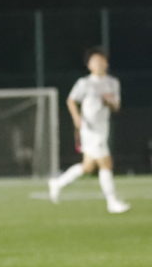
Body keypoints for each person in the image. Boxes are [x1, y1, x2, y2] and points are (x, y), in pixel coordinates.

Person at [48, 46, 130, 213]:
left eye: (101, 60)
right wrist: (77, 118)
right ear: (89, 65)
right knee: (106, 163)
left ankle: (57, 183)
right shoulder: (85, 83)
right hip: (89, 128)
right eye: (95, 61)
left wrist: (108, 102)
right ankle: (112, 202)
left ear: (106, 63)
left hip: (103, 127)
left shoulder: (113, 82)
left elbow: (116, 107)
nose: (98, 64)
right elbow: (71, 100)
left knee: (88, 166)